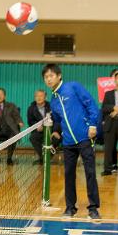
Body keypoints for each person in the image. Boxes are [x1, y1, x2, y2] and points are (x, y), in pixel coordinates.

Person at [42, 64, 100, 219]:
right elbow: (59, 120)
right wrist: (55, 129)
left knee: (90, 173)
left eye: (51, 75)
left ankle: (93, 208)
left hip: (84, 138)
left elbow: (91, 104)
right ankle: (70, 208)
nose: (48, 79)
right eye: (46, 77)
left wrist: (93, 124)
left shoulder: (73, 87)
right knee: (68, 175)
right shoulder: (53, 101)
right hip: (67, 143)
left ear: (59, 75)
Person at [27, 89, 51, 165]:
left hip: (51, 130)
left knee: (57, 138)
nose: (39, 98)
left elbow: (56, 120)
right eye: (37, 96)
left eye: (41, 96)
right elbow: (30, 121)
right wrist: (37, 126)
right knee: (32, 138)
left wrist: (56, 131)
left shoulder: (51, 107)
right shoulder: (31, 108)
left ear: (45, 97)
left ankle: (48, 157)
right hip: (38, 131)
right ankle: (43, 158)